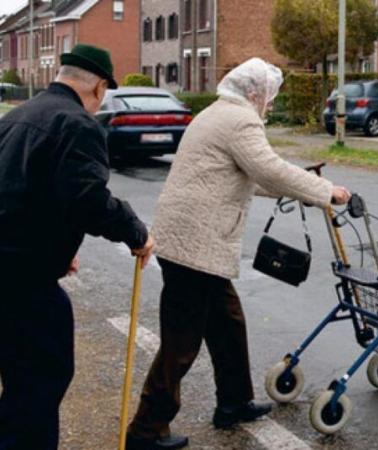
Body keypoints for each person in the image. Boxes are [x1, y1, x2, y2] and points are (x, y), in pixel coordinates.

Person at [125, 58, 351, 450]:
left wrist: (302, 185)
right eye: (268, 94)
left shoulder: (217, 113)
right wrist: (323, 191)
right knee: (181, 342)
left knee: (228, 323)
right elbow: (267, 170)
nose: (270, 102)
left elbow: (246, 174)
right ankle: (146, 429)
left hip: (190, 240)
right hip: (195, 244)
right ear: (253, 92)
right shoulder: (239, 119)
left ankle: (233, 402)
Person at [0, 44, 154, 450]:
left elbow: (25, 192)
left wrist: (53, 244)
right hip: (25, 283)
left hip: (9, 272)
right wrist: (136, 232)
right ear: (100, 86)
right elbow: (87, 200)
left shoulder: (17, 117)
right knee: (38, 383)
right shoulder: (78, 124)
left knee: (19, 385)